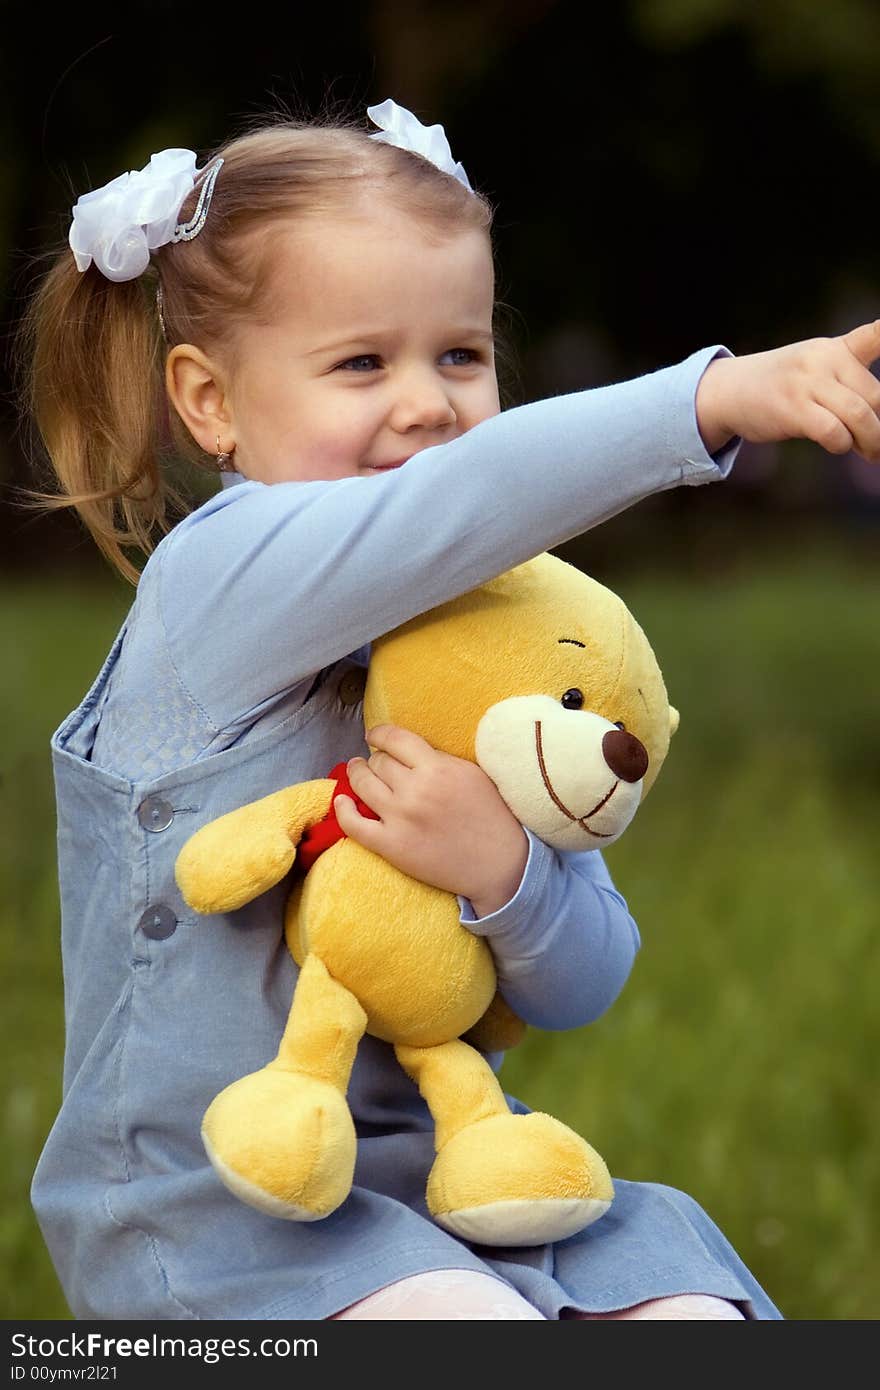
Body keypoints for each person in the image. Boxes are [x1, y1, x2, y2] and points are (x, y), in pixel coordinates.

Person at [18, 97, 880, 1323]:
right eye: (362, 362)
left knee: (686, 1313)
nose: (427, 402)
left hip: (444, 1180)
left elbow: (586, 978)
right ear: (208, 403)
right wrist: (713, 400)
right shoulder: (218, 578)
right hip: (217, 1207)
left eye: (459, 355)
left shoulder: (486, 627)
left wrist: (509, 872)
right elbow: (465, 499)